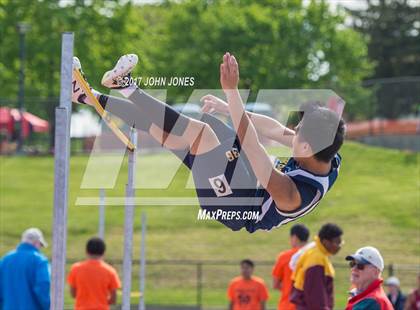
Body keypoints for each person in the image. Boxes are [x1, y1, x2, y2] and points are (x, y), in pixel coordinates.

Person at [71, 53, 345, 233]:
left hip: (236, 205)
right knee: (167, 131)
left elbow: (252, 145)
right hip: (245, 177)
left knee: (201, 134)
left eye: (297, 134)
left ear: (308, 148)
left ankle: (125, 86)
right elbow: (272, 129)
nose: (290, 134)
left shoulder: (292, 195)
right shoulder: (324, 153)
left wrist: (232, 92)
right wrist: (228, 107)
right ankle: (85, 95)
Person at [290, 223, 343, 310]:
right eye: (337, 242)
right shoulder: (316, 260)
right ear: (326, 242)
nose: (339, 246)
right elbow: (316, 298)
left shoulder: (317, 253)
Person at [0, 228, 50, 310]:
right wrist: (47, 306)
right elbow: (42, 287)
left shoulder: (5, 260)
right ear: (36, 243)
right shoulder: (39, 260)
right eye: (41, 245)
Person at [67, 237, 121, 310]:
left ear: (86, 251)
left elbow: (73, 294)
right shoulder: (110, 271)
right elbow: (113, 299)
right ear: (104, 252)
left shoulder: (76, 269)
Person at [272, 224, 310, 310]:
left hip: (288, 305)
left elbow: (275, 284)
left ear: (294, 237)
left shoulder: (285, 256)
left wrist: (287, 288)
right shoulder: (313, 256)